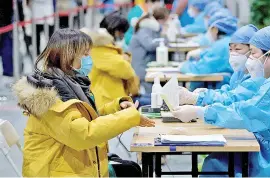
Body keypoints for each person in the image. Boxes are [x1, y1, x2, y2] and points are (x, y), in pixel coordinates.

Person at [172, 25, 270, 177]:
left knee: (217, 164)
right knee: (217, 161)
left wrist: (200, 111)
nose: (249, 59)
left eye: (253, 53)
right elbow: (245, 106)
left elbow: (245, 113)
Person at [12, 29, 155, 177]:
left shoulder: (73, 84)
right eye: (85, 54)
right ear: (68, 57)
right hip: (58, 172)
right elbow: (84, 134)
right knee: (131, 171)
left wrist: (117, 107)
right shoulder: (47, 98)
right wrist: (129, 118)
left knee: (131, 169)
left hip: (76, 165)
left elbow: (88, 117)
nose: (89, 59)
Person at [180, 24, 265, 107]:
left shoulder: (256, 77)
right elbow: (230, 92)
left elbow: (234, 99)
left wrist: (199, 98)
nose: (233, 54)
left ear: (252, 51)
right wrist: (208, 93)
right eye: (230, 50)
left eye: (237, 49)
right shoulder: (239, 73)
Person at [81, 13, 140, 110]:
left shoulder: (105, 47)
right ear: (115, 30)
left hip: (112, 99)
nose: (123, 35)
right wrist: (125, 58)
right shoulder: (100, 47)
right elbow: (126, 70)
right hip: (107, 101)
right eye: (122, 32)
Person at [180, 12, 237, 91]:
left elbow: (199, 70)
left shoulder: (221, 46)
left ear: (215, 29)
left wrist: (183, 66)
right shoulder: (230, 41)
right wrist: (202, 53)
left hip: (220, 89)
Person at [129, 7, 169, 96]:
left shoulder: (151, 29)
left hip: (147, 66)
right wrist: (164, 37)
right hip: (141, 69)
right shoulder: (144, 29)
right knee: (153, 96)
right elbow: (150, 45)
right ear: (159, 20)